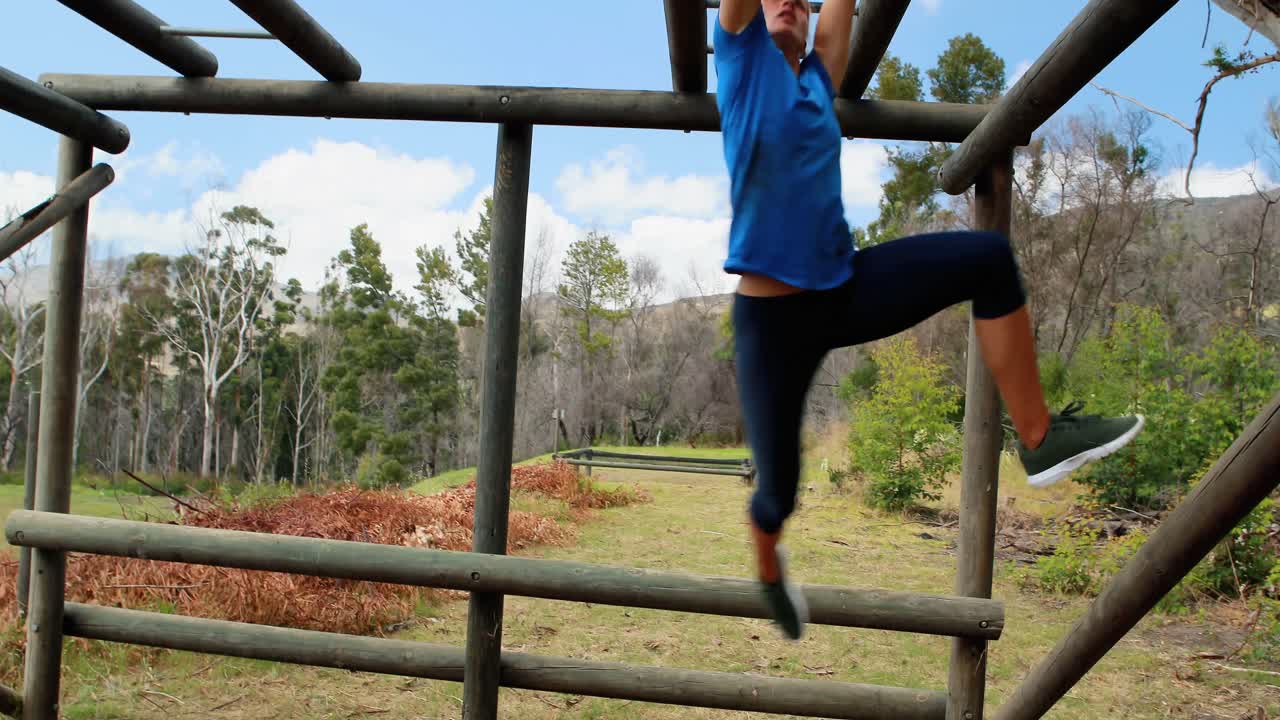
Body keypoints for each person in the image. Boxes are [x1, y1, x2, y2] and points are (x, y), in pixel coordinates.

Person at [713, 0, 1145, 640]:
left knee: (988, 259)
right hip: (770, 323)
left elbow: (840, 14)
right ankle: (770, 573)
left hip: (844, 288)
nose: (790, 5)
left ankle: (1039, 435)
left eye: (803, 3)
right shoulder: (740, 57)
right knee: (777, 494)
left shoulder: (816, 80)